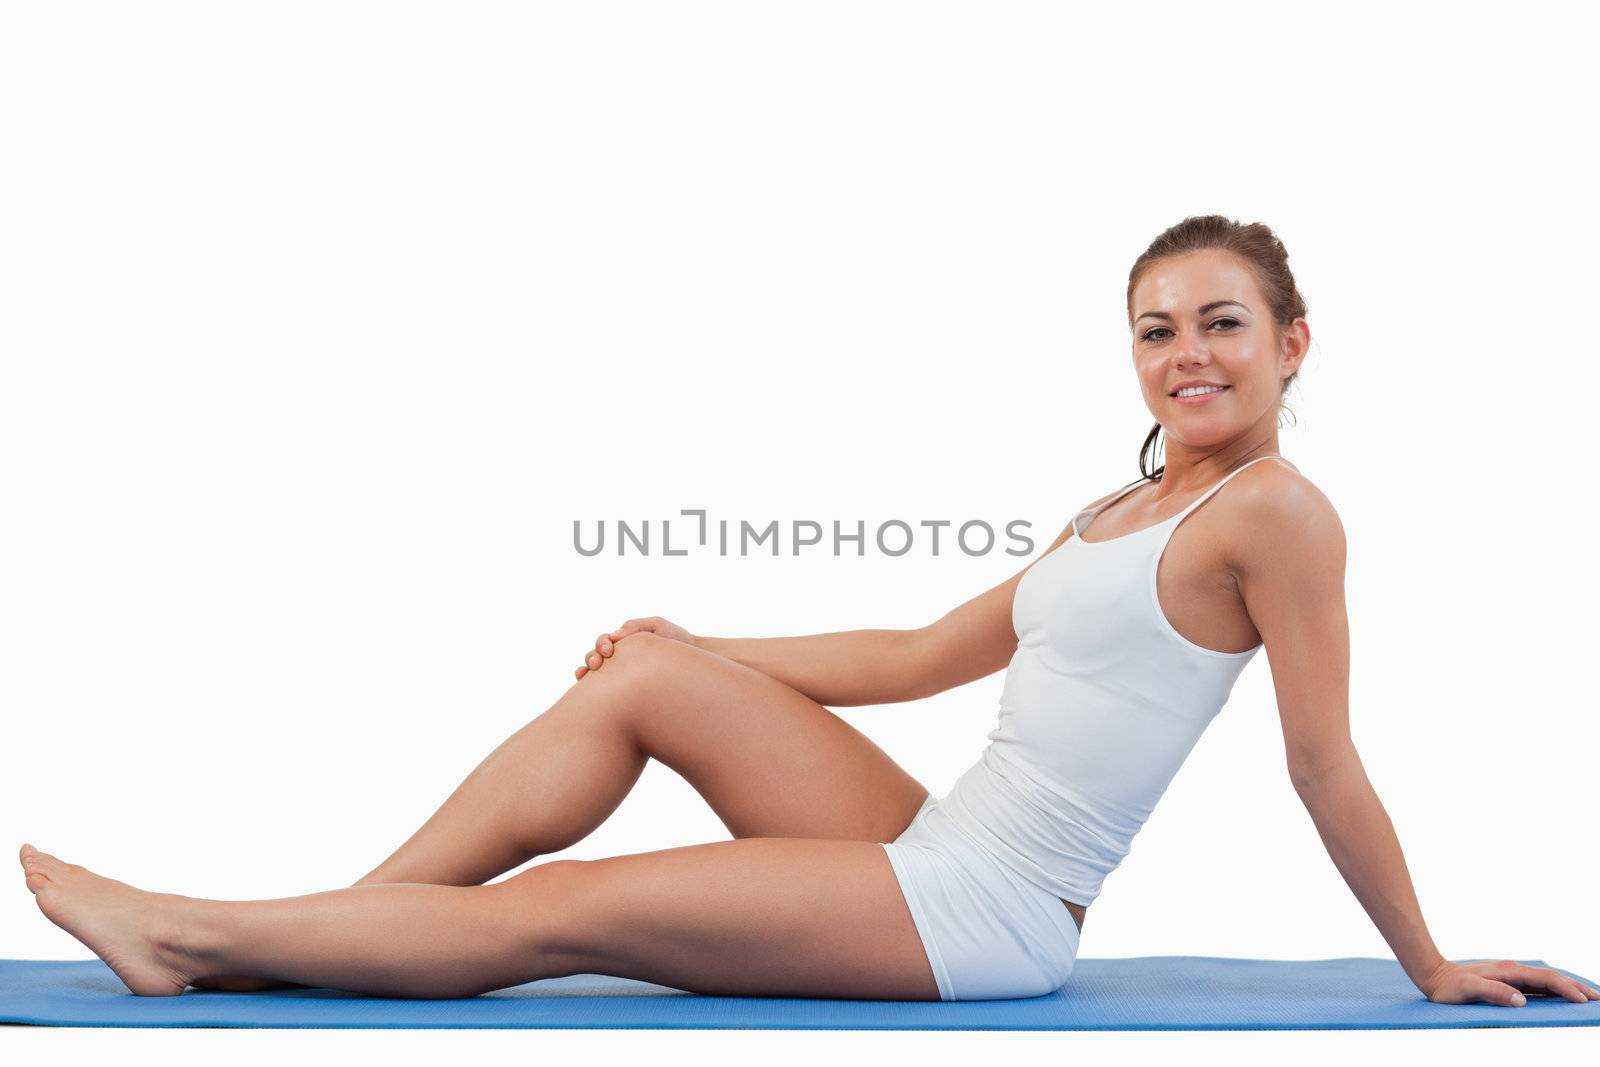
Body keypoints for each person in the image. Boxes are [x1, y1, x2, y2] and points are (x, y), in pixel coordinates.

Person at [19, 215, 1596, 1007]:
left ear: (1294, 343)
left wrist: (1430, 962)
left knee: (562, 909)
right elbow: (916, 658)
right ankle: (337, 932)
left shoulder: (1279, 518)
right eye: (1156, 330)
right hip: (930, 840)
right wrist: (692, 646)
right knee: (641, 685)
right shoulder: (1122, 508)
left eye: (1224, 325)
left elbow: (1323, 761)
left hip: (991, 919)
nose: (1188, 354)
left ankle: (206, 939)